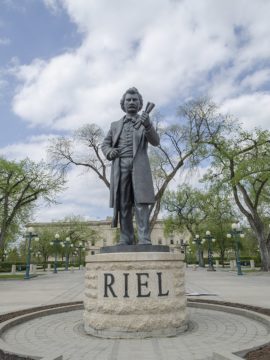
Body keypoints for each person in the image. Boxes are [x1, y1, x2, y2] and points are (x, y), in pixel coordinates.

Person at [101, 87, 160, 245]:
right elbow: (105, 144)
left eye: (135, 100)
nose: (132, 102)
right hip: (120, 167)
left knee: (141, 203)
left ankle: (144, 238)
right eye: (129, 100)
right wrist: (110, 151)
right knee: (124, 203)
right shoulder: (114, 125)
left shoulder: (144, 121)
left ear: (140, 104)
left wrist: (147, 126)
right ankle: (126, 238)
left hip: (139, 166)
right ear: (123, 103)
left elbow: (156, 141)